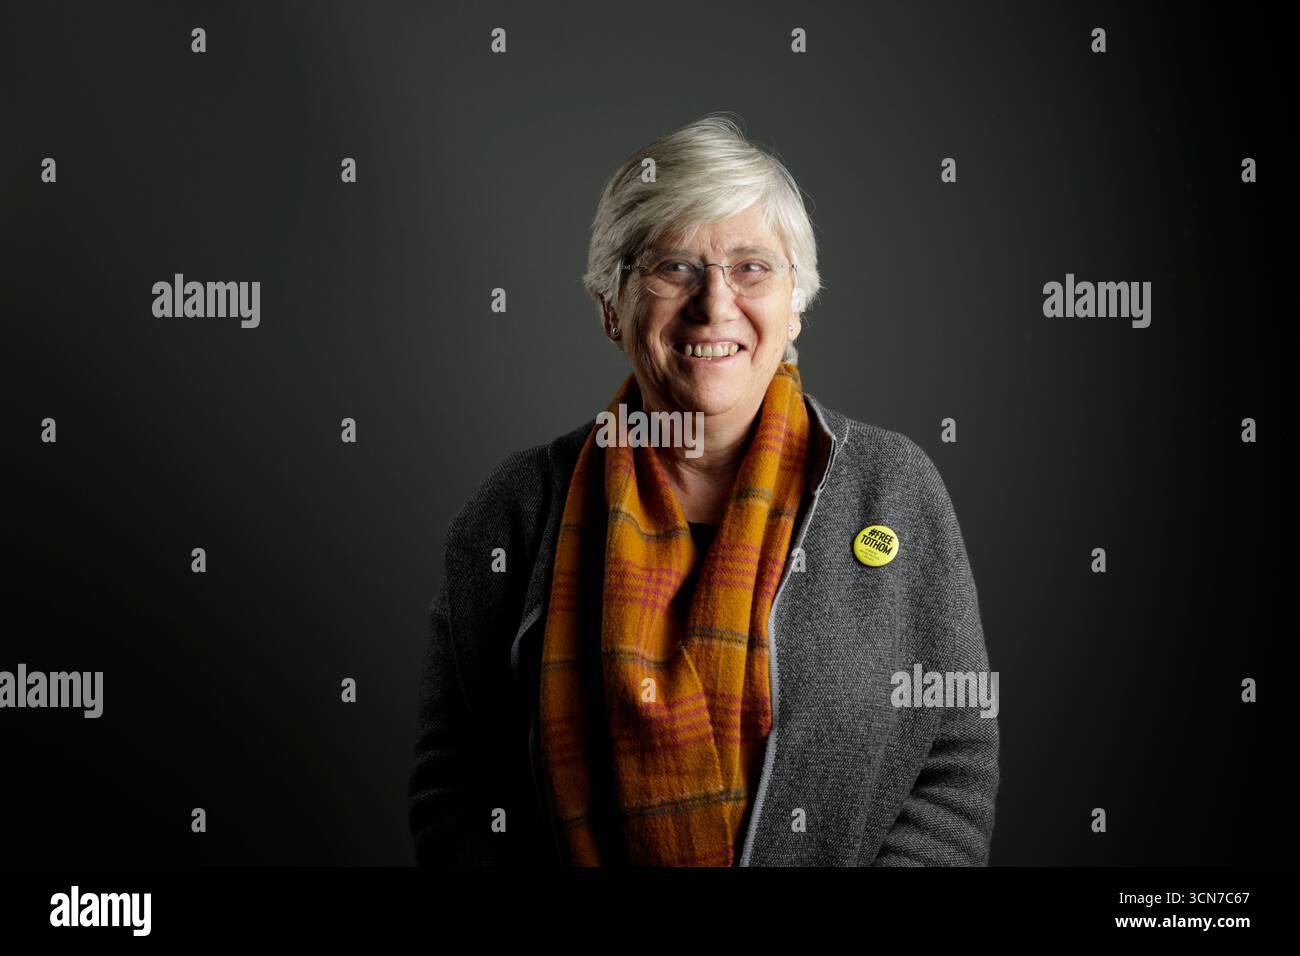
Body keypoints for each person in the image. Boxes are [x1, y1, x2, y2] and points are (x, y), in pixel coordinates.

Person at [408, 113, 999, 866]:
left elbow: (953, 758)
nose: (714, 304)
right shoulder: (517, 510)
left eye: (752, 268)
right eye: (673, 266)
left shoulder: (892, 490)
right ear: (610, 306)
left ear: (796, 306)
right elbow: (456, 787)